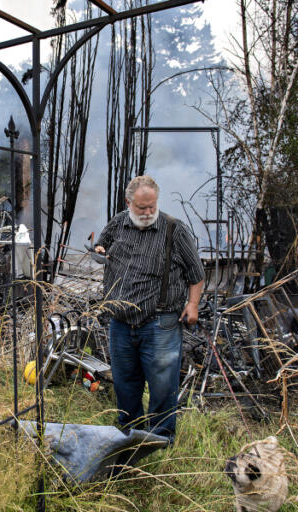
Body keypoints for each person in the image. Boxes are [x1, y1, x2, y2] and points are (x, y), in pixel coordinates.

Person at [95, 175, 204, 441]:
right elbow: (102, 244)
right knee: (125, 382)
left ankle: (160, 438)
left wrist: (192, 304)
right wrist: (99, 250)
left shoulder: (174, 230)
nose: (147, 213)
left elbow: (197, 272)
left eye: (152, 207)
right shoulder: (117, 223)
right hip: (120, 323)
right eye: (141, 207)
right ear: (128, 202)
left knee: (162, 385)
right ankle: (130, 435)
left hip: (160, 322)